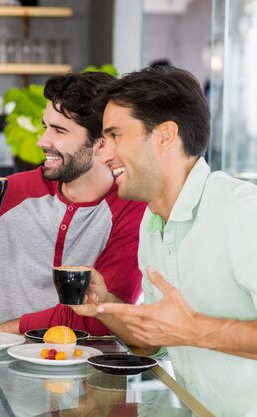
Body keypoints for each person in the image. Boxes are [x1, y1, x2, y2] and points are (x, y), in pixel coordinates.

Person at [72, 66, 257, 416]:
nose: (103, 153)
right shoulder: (153, 221)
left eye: (115, 136)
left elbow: (185, 330)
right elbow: (154, 343)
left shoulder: (242, 211)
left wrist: (196, 330)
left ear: (165, 135)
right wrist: (104, 304)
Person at [0, 72, 147, 335]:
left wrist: (9, 331)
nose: (42, 141)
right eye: (46, 127)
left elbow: (106, 314)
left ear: (101, 144)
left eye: (59, 131)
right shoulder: (16, 191)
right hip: (7, 369)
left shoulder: (132, 209)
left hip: (89, 370)